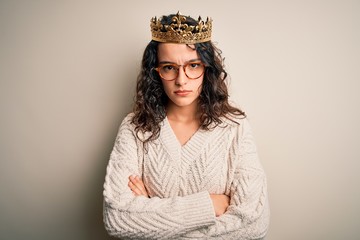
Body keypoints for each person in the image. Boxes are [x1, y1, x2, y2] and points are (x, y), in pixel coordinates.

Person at [103, 12, 270, 239]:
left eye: (193, 65)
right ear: (156, 72)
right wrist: (209, 206)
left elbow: (253, 224)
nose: (181, 80)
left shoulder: (234, 128)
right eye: (169, 67)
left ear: (207, 69)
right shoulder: (135, 128)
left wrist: (152, 212)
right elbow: (117, 218)